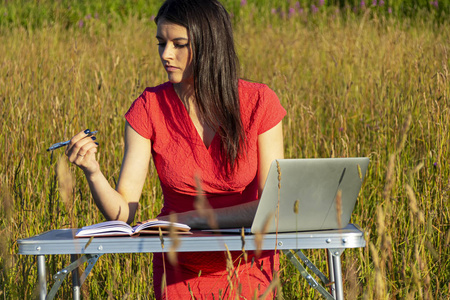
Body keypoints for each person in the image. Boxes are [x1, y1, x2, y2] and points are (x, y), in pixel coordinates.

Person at [66, 0, 286, 298]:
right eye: (161, 43)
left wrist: (189, 219)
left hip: (249, 269)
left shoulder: (259, 102)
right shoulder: (148, 107)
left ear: (210, 45)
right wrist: (92, 171)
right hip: (178, 271)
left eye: (178, 44)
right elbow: (123, 214)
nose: (166, 54)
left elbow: (273, 207)